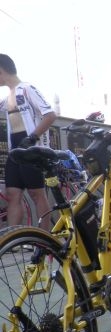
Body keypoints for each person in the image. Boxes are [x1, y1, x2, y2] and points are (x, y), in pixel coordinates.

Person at [0, 53, 56, 230]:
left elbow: (50, 115)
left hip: (31, 150)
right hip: (14, 152)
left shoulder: (27, 89)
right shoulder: (6, 98)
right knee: (12, 194)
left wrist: (32, 138)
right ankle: (13, 238)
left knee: (36, 193)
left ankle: (44, 238)